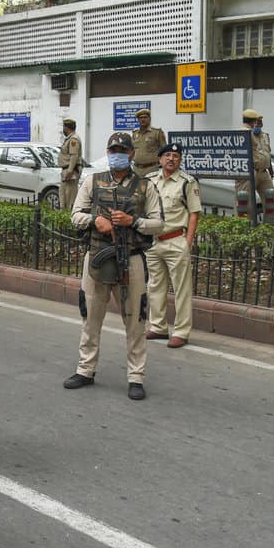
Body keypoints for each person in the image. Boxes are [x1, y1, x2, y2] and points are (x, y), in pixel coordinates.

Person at [64, 132, 165, 400]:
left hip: (131, 259)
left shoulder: (146, 187)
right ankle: (85, 370)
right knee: (90, 318)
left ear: (132, 154)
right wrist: (96, 220)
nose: (117, 154)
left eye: (122, 150)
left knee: (135, 321)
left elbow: (159, 223)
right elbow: (75, 215)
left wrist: (133, 221)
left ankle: (136, 377)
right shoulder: (92, 181)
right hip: (97, 256)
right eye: (113, 150)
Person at [144, 143, 201, 348]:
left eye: (176, 156)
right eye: (167, 155)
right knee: (155, 286)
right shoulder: (150, 180)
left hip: (176, 239)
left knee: (181, 289)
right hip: (153, 241)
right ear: (160, 160)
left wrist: (187, 242)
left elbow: (194, 213)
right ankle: (158, 327)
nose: (171, 159)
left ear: (180, 160)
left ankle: (181, 331)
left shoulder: (187, 182)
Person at [234, 109, 274, 218]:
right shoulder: (244, 132)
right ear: (253, 121)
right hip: (250, 171)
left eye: (261, 122)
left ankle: (269, 228)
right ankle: (246, 230)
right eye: (257, 121)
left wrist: (270, 171)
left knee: (270, 200)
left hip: (264, 172)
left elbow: (267, 154)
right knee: (245, 205)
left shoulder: (264, 135)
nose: (259, 124)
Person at [130, 108, 166, 178]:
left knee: (151, 188)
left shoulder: (157, 132)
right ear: (138, 120)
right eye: (140, 118)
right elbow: (132, 150)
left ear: (149, 119)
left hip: (151, 169)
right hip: (136, 169)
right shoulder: (135, 133)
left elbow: (164, 150)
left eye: (145, 117)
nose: (143, 120)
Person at [57, 117, 83, 209]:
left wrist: (70, 171)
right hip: (67, 170)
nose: (63, 129)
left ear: (66, 128)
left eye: (63, 127)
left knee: (69, 198)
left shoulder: (73, 139)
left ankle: (69, 218)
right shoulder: (69, 138)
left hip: (70, 171)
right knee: (63, 195)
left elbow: (74, 156)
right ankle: (64, 216)